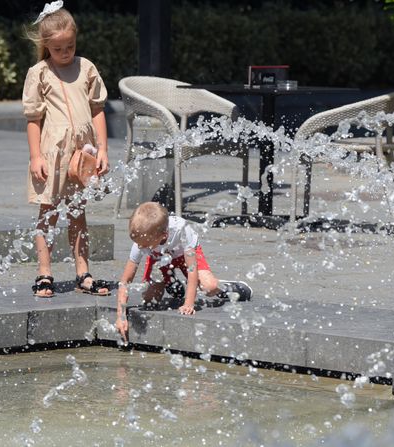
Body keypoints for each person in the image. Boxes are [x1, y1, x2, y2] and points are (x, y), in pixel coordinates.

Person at [23, 1, 110, 297]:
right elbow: (33, 119)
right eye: (59, 49)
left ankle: (82, 271)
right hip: (52, 153)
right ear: (47, 46)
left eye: (70, 46)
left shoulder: (86, 67)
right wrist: (35, 157)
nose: (65, 53)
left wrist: (102, 150)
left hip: (81, 153)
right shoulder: (39, 73)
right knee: (48, 213)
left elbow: (98, 109)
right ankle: (44, 272)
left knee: (78, 211)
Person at [115, 202, 252, 339]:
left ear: (163, 235)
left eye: (145, 245)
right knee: (150, 300)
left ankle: (225, 288)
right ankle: (172, 282)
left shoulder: (181, 229)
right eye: (138, 243)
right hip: (160, 258)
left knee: (208, 287)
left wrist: (188, 304)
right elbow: (125, 281)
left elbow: (192, 270)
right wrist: (121, 316)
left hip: (184, 255)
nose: (140, 247)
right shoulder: (142, 240)